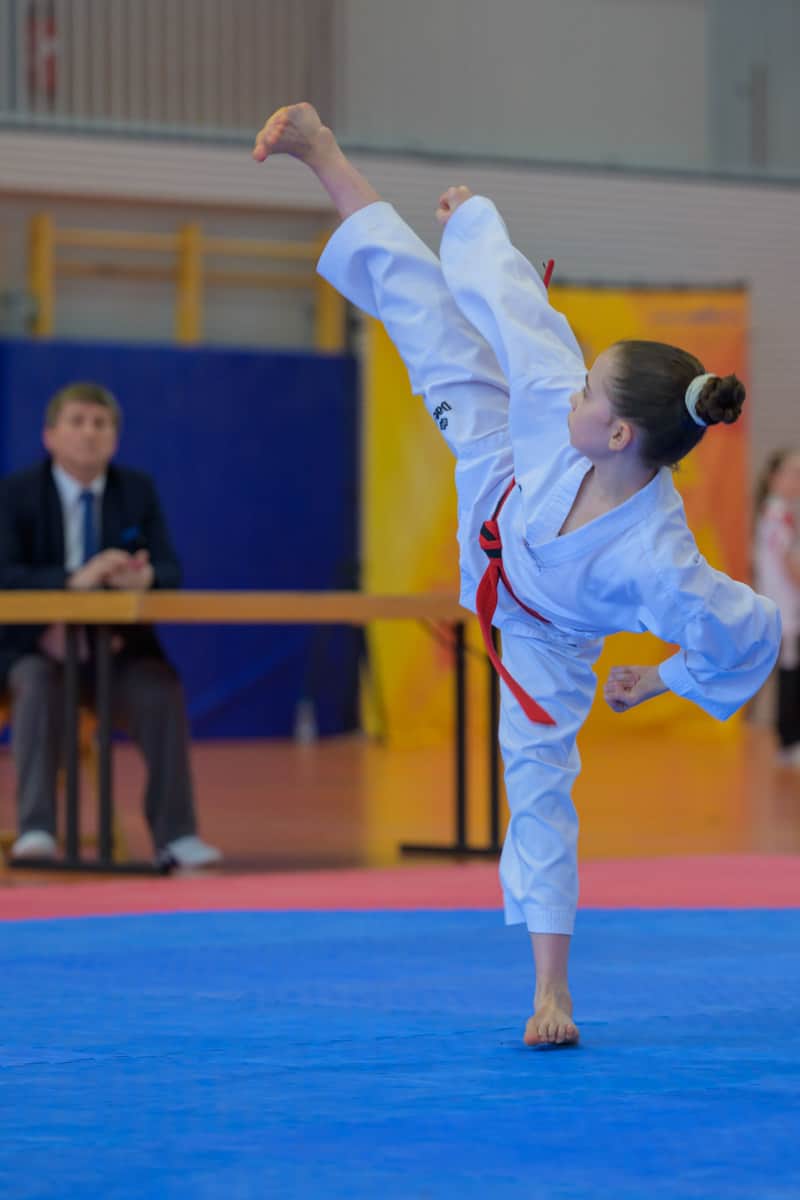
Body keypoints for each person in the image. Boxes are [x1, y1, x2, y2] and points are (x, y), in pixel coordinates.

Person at [253, 104, 781, 1047]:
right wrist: (470, 222)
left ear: (618, 433)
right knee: (424, 309)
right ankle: (321, 151)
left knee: (536, 781)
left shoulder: (661, 562)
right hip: (500, 469)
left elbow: (750, 633)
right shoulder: (552, 399)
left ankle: (551, 992)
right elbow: (517, 306)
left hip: (547, 634)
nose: (574, 385)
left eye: (590, 391)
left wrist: (663, 677)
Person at [0, 381, 221, 868]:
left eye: (100, 424)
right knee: (34, 687)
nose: (89, 433)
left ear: (115, 439)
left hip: (118, 655)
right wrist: (73, 580)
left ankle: (176, 835)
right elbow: (6, 574)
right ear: (50, 436)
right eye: (77, 422)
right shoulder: (15, 493)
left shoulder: (137, 490)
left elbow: (171, 569)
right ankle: (37, 828)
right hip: (40, 651)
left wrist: (144, 579)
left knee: (160, 689)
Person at [753, 449, 800, 764]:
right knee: (789, 673)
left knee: (788, 671)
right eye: (792, 473)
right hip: (783, 609)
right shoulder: (777, 515)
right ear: (774, 477)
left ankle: (789, 739)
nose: (798, 480)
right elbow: (789, 565)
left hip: (784, 607)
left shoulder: (777, 513)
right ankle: (789, 739)